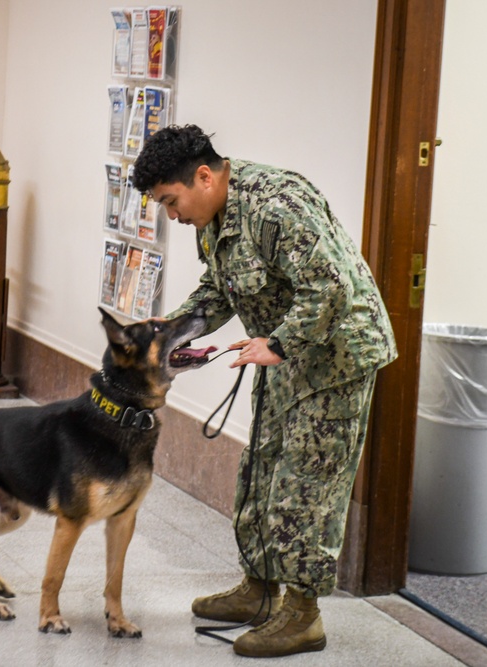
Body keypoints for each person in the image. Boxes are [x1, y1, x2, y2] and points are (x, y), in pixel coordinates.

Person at [130, 124, 397, 658]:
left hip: (337, 354)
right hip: (284, 352)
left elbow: (331, 286)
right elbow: (219, 287)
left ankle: (302, 616)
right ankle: (258, 590)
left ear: (204, 177)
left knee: (306, 481)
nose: (171, 215)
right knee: (263, 467)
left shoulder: (277, 204)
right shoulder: (212, 218)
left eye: (170, 201)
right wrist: (173, 329)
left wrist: (279, 343)